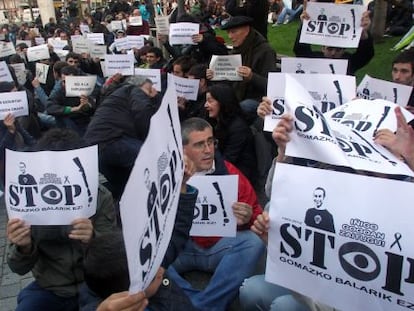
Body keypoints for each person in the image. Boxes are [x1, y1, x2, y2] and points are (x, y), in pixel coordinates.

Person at [6, 128, 116, 311]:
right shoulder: (25, 201)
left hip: (94, 285)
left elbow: (113, 255)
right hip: (50, 289)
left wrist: (93, 239)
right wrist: (23, 247)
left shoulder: (99, 196)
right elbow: (18, 268)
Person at [167, 117, 264, 311]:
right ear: (183, 149)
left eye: (211, 142)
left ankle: (204, 306)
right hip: (181, 248)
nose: (208, 150)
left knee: (253, 242)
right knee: (146, 259)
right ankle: (193, 302)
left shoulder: (230, 173)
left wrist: (247, 218)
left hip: (219, 248)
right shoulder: (167, 175)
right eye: (200, 144)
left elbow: (257, 217)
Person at [83, 77, 161, 199]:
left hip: (96, 147)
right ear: (140, 86)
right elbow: (142, 112)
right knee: (154, 160)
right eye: (149, 89)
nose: (152, 92)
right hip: (112, 140)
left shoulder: (117, 96)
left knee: (122, 188)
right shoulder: (132, 89)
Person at [210, 16, 277, 121]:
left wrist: (252, 77)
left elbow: (273, 86)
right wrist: (215, 75)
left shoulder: (265, 51)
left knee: (242, 107)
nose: (230, 36)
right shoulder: (236, 50)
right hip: (237, 95)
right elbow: (228, 79)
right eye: (228, 32)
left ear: (246, 30)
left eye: (233, 32)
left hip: (258, 100)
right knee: (213, 103)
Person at [293, 10, 374, 75]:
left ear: (344, 50)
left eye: (338, 50)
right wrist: (305, 26)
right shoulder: (314, 59)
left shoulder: (349, 62)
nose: (333, 53)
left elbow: (366, 54)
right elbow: (300, 49)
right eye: (329, 49)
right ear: (323, 48)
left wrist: (363, 33)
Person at [204, 83, 257, 182]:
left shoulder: (239, 128)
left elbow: (228, 161)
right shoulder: (215, 122)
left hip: (238, 178)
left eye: (210, 101)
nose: (206, 105)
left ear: (222, 102)